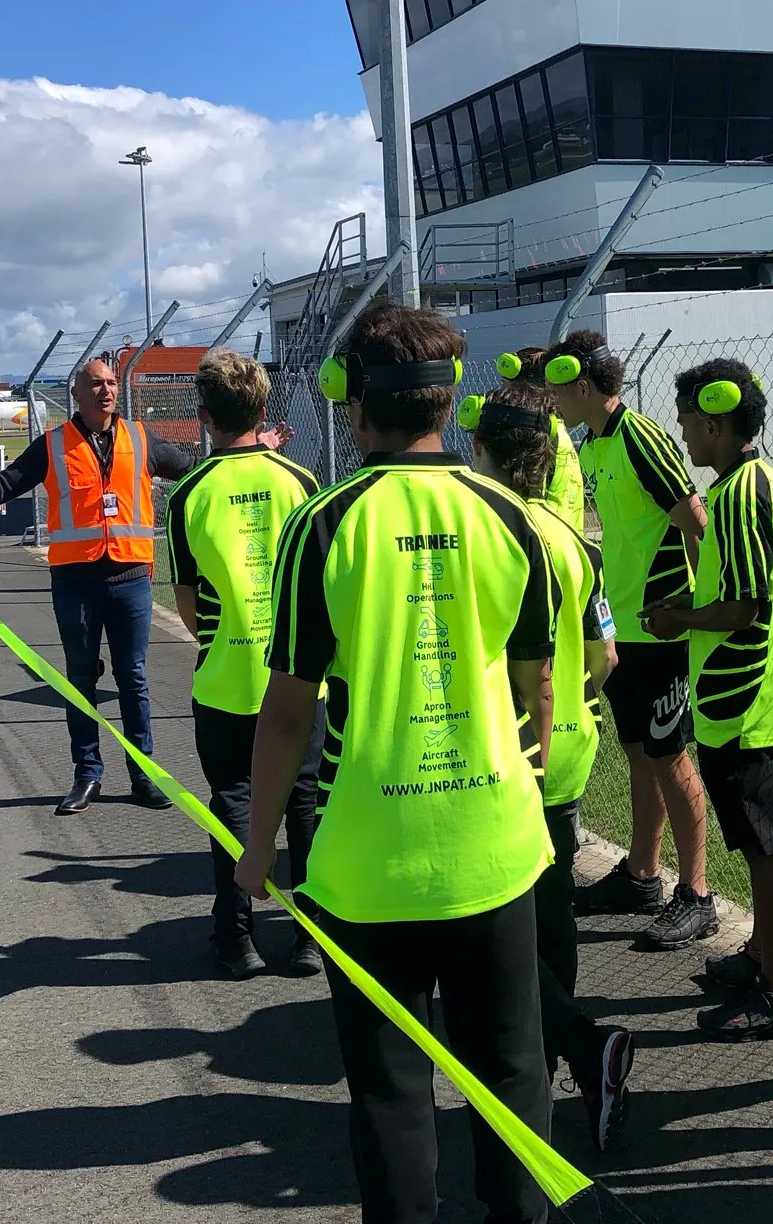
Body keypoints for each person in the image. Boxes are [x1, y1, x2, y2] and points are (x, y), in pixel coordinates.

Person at [235, 301, 556, 1224]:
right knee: (510, 1066)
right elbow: (536, 685)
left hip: (365, 854)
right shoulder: (507, 512)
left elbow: (288, 711)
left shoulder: (325, 523)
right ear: (448, 405)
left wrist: (257, 850)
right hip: (495, 840)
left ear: (352, 404)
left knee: (388, 1087)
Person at [0, 358, 287, 815]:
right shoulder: (53, 446)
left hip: (131, 581)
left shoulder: (142, 440)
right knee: (80, 680)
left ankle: (144, 775)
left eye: (111, 383)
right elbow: (1, 488)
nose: (107, 390)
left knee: (134, 679)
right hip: (75, 582)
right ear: (77, 395)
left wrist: (252, 448)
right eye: (96, 384)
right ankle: (87, 775)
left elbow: (200, 471)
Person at [465, 379, 636, 1152]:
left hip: (503, 748)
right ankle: (564, 1055)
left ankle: (556, 1050)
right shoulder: (575, 542)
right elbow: (606, 656)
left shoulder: (484, 531)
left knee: (492, 924)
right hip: (571, 742)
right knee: (552, 899)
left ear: (484, 453)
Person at [642, 359, 773, 1041]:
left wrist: (680, 617)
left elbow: (742, 611)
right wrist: (691, 607)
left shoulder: (741, 495)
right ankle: (761, 958)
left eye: (686, 423)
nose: (683, 436)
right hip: (751, 700)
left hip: (749, 708)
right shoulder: (756, 479)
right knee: (760, 850)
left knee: (769, 856)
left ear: (714, 419)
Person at [545, 329, 719, 950]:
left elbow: (694, 518)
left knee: (671, 759)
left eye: (559, 389)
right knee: (640, 755)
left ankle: (696, 893)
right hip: (622, 627)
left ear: (585, 386)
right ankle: (643, 875)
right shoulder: (592, 443)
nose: (553, 401)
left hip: (663, 630)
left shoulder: (641, 436)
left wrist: (698, 611)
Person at [163, 348, 323, 980]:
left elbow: (187, 602)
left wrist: (229, 633)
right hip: (303, 676)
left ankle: (236, 938)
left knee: (232, 798)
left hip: (228, 674)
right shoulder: (301, 482)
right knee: (305, 801)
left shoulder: (190, 493)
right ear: (263, 411)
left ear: (205, 418)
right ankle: (311, 937)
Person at [495, 346, 587, 532]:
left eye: (505, 388)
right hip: (566, 541)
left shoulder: (535, 435)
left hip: (544, 543)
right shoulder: (553, 428)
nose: (501, 395)